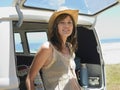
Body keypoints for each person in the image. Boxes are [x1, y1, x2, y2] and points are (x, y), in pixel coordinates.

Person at [26, 7, 81, 90]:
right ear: (56, 26)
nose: (66, 26)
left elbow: (72, 76)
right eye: (62, 22)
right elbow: (29, 78)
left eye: (69, 22)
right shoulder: (47, 48)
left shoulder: (69, 47)